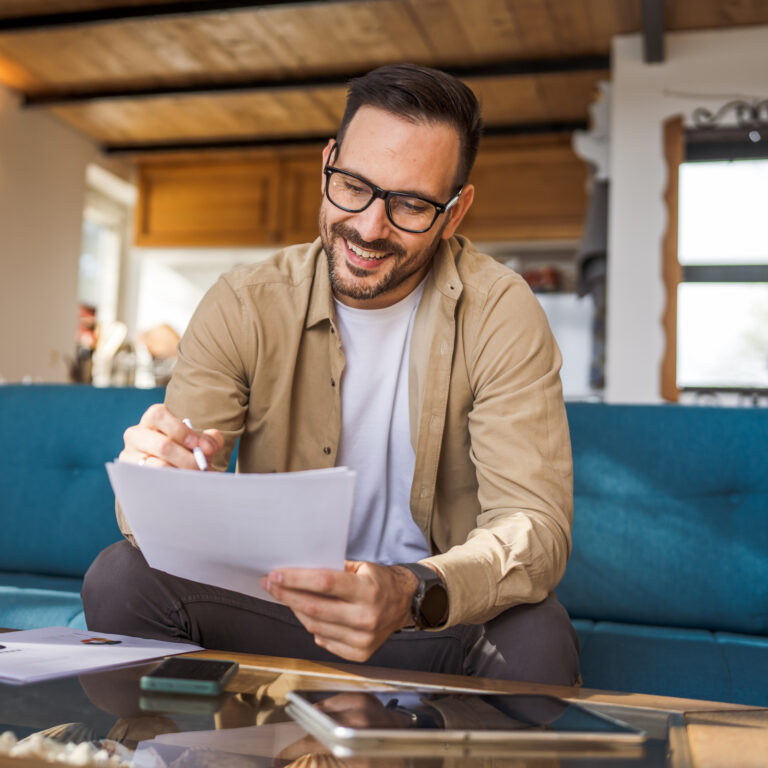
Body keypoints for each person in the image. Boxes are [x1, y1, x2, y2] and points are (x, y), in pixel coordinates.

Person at [83, 63, 579, 686]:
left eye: (412, 204)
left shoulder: (501, 311)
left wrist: (409, 590)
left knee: (537, 634)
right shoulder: (244, 303)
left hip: (426, 619)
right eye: (354, 186)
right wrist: (158, 481)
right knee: (120, 579)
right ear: (328, 165)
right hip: (275, 604)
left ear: (455, 213)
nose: (370, 227)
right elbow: (157, 519)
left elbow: (534, 526)